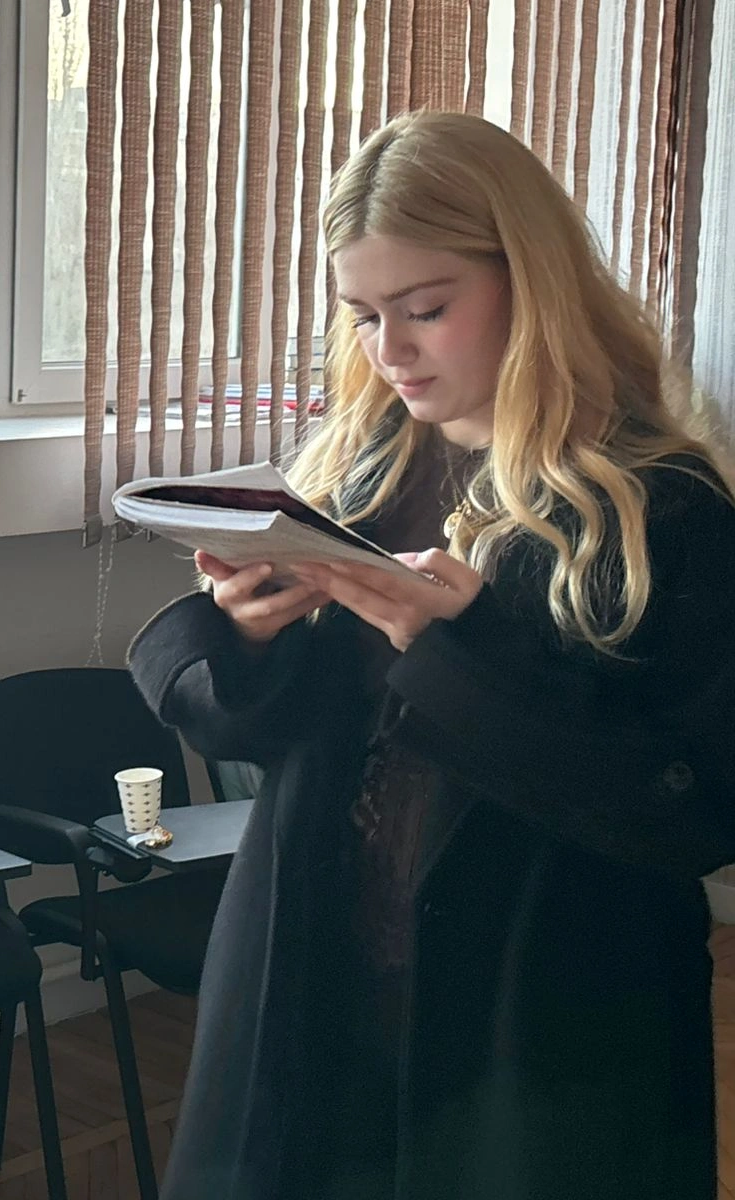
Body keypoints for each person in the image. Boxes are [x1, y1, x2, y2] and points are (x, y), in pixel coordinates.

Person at [129, 110, 735, 1200]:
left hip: (536, 1031)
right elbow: (259, 736)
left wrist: (452, 652)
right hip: (316, 994)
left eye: (425, 309)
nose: (389, 351)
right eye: (362, 316)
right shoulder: (354, 475)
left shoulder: (660, 508)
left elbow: (691, 815)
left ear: (532, 282)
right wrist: (244, 633)